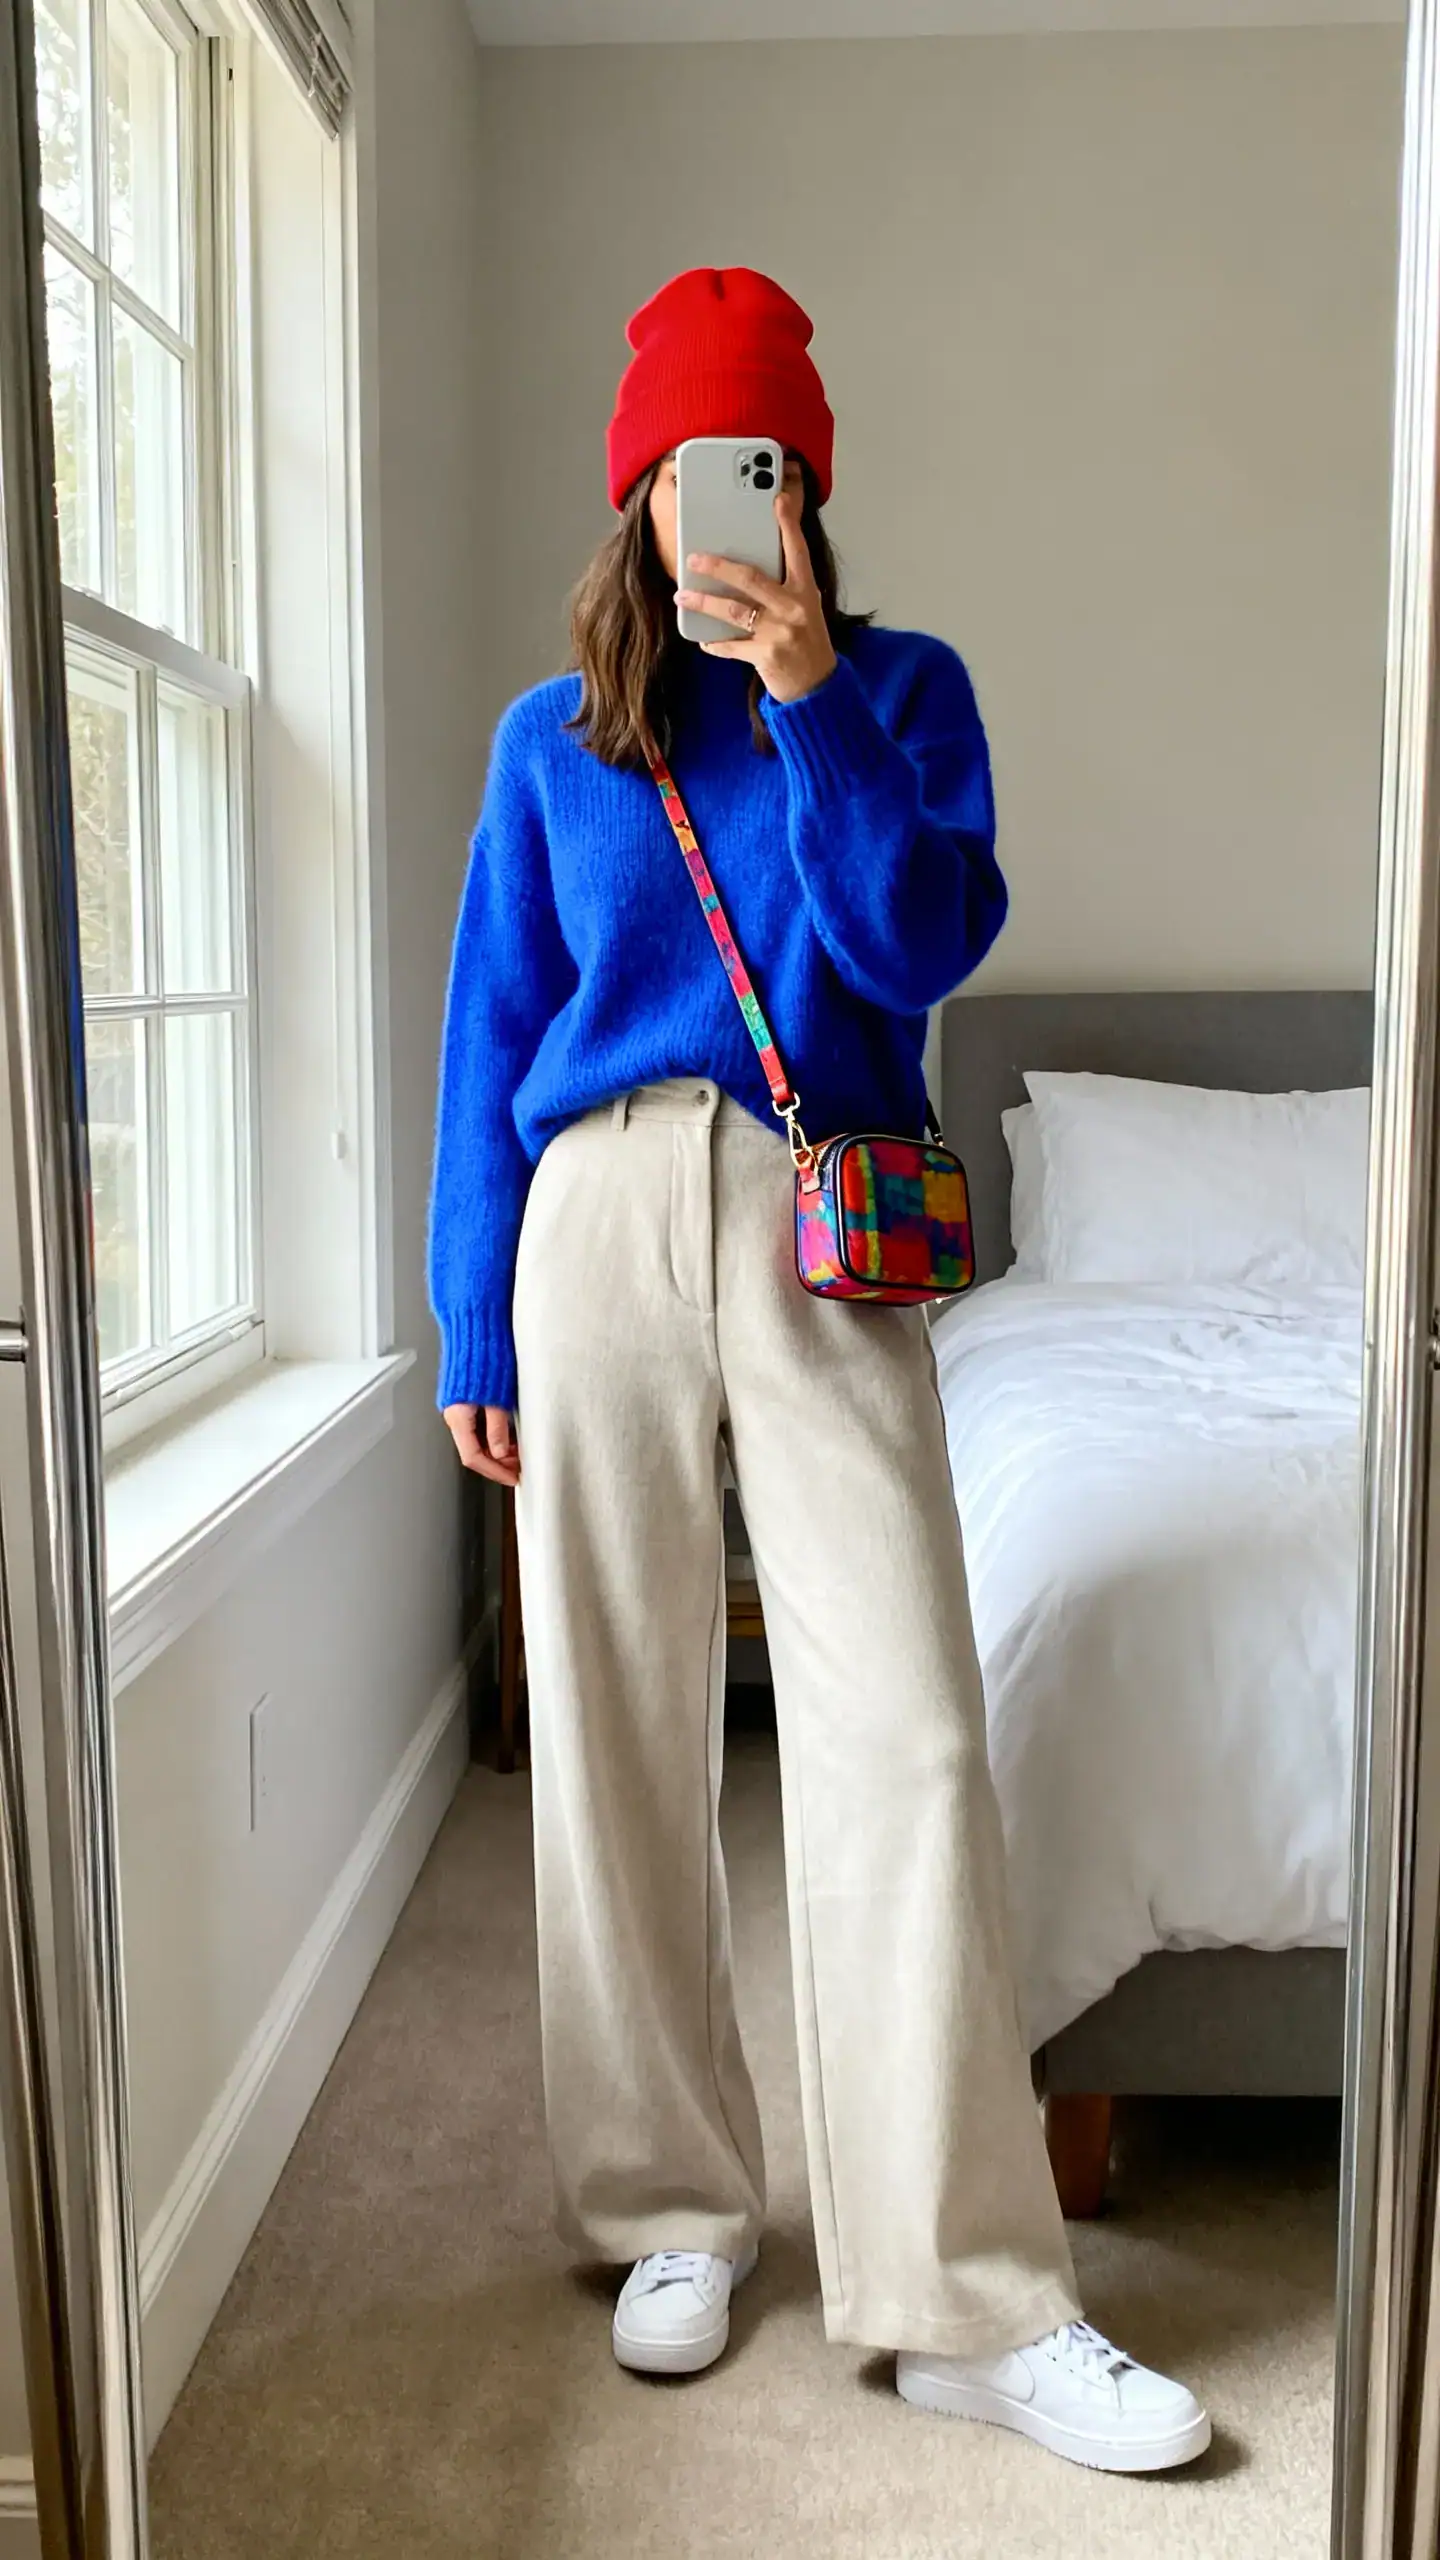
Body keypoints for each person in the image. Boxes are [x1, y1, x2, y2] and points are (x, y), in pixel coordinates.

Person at [429, 265, 1210, 2475]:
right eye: (693, 469)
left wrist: (811, 707)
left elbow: (919, 943)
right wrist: (471, 1308)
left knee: (910, 1735)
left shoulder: (901, 693)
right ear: (640, 491)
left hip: (822, 1213)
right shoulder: (551, 740)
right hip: (593, 1215)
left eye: (759, 467)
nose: (728, 510)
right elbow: (493, 1024)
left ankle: (962, 2292)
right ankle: (666, 2205)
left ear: (806, 488)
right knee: (614, 1726)